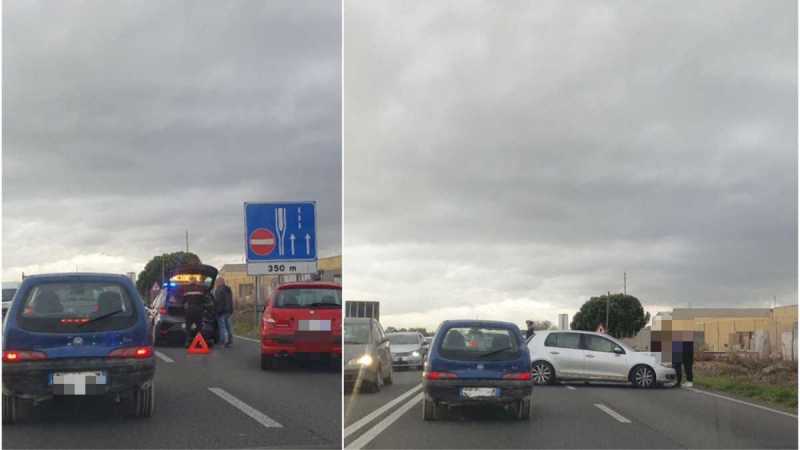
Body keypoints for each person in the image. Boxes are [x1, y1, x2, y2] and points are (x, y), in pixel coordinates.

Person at [213, 277, 234, 348]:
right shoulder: (228, 289)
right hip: (229, 311)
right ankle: (229, 340)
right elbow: (229, 301)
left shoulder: (219, 290)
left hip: (222, 311)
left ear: (219, 282)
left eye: (217, 282)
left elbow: (218, 302)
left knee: (222, 327)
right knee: (228, 326)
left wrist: (217, 311)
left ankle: (224, 342)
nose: (216, 284)